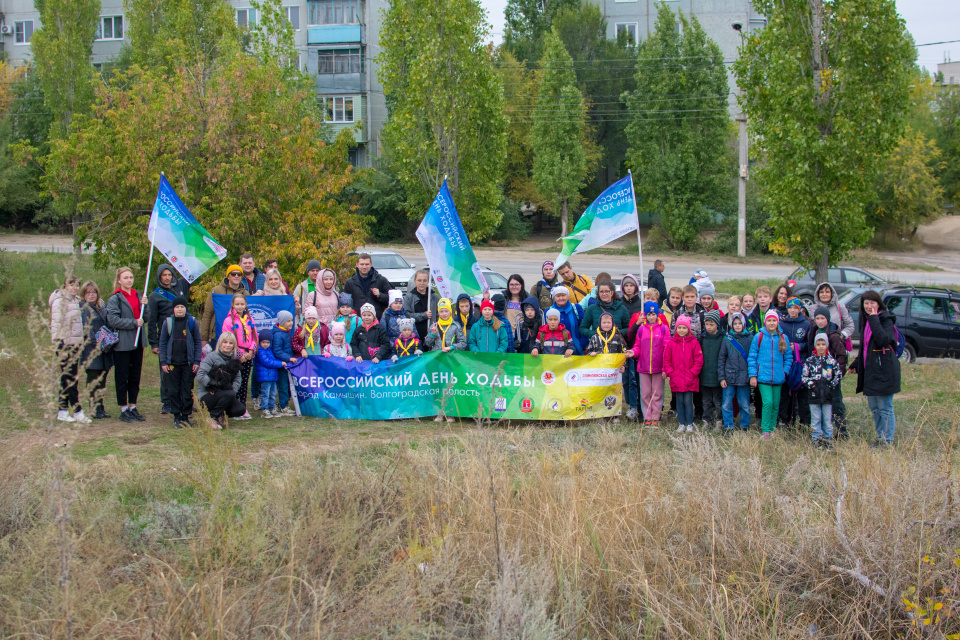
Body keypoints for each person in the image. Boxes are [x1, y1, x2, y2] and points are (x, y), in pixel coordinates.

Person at [848, 290, 901, 447]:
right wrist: (856, 363)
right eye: (866, 303)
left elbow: (883, 340)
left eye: (872, 302)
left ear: (878, 304)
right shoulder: (865, 321)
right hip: (871, 371)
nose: (869, 306)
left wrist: (873, 317)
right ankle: (880, 437)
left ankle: (887, 440)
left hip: (884, 370)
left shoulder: (885, 320)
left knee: (885, 407)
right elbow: (865, 347)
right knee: (875, 408)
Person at [146, 263, 191, 414]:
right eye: (164, 275)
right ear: (159, 277)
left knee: (184, 369)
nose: (167, 278)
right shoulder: (154, 296)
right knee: (166, 371)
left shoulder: (180, 288)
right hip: (166, 336)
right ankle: (167, 401)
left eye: (169, 274)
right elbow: (152, 321)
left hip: (184, 334)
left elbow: (190, 275)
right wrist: (154, 343)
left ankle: (185, 400)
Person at [107, 267, 148, 423]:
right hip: (123, 343)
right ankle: (123, 408)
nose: (129, 280)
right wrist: (133, 323)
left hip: (138, 343)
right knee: (122, 375)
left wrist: (146, 304)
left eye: (131, 277)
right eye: (125, 278)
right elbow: (113, 320)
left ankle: (133, 406)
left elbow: (147, 317)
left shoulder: (138, 295)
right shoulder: (115, 299)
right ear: (119, 280)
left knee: (135, 375)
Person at [748, 310, 794, 439]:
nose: (772, 323)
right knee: (768, 402)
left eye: (774, 320)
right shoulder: (759, 337)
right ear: (765, 322)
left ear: (777, 322)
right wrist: (753, 375)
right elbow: (752, 357)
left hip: (778, 378)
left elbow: (788, 357)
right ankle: (766, 430)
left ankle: (773, 428)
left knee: (775, 404)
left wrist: (784, 371)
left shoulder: (783, 337)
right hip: (763, 377)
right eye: (769, 320)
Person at [158, 296, 202, 428]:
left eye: (182, 307)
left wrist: (196, 360)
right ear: (173, 309)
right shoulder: (168, 323)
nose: (180, 309)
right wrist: (163, 361)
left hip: (188, 363)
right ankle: (177, 416)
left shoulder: (192, 323)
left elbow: (198, 342)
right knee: (173, 390)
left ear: (185, 308)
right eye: (177, 307)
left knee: (187, 390)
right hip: (172, 363)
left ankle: (185, 416)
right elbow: (163, 343)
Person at [807, 306, 849, 439]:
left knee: (836, 404)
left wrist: (838, 374)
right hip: (817, 378)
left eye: (822, 318)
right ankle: (820, 433)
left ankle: (842, 431)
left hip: (831, 378)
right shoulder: (812, 331)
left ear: (828, 319)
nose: (820, 321)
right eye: (817, 318)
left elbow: (842, 356)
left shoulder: (833, 335)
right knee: (819, 404)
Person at [50, 275, 88, 423]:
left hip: (75, 344)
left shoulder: (76, 301)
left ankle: (62, 410)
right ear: (65, 286)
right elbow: (56, 325)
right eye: (71, 285)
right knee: (71, 378)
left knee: (67, 379)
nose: (75, 288)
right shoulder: (60, 302)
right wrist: (60, 345)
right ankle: (77, 411)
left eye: (77, 285)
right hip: (65, 345)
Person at [629, 301, 670, 427]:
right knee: (645, 393)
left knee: (657, 393)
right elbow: (637, 347)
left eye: (654, 314)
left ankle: (655, 417)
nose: (651, 317)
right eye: (649, 314)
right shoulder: (641, 330)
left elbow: (667, 349)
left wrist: (665, 368)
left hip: (658, 368)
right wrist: (633, 352)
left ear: (657, 315)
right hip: (644, 368)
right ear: (645, 316)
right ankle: (647, 417)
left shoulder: (664, 329)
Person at [79, 281, 114, 420]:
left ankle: (100, 406)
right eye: (88, 292)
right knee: (93, 378)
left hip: (104, 347)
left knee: (102, 378)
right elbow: (87, 328)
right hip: (91, 348)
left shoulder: (101, 306)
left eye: (93, 292)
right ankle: (93, 407)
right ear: (84, 294)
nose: (91, 295)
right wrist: (96, 343)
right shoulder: (83, 308)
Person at [220, 293, 258, 420]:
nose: (240, 306)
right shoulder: (228, 320)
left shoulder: (249, 319)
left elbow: (254, 337)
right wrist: (240, 354)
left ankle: (242, 407)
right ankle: (233, 408)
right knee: (235, 382)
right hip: (235, 356)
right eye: (237, 304)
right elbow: (227, 339)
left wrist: (251, 351)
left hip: (248, 356)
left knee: (244, 382)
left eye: (242, 304)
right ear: (232, 305)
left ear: (245, 304)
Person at [196, 332, 245, 429]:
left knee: (240, 409)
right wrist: (216, 384)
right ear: (220, 343)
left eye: (230, 343)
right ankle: (212, 416)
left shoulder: (234, 360)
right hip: (208, 394)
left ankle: (220, 413)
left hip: (225, 394)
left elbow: (238, 379)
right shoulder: (211, 357)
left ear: (234, 345)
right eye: (225, 342)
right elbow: (200, 376)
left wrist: (232, 391)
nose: (227, 345)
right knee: (229, 394)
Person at [802, 332, 842, 448]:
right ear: (815, 345)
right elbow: (804, 377)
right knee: (815, 420)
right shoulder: (810, 361)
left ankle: (828, 440)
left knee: (827, 420)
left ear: (827, 345)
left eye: (823, 344)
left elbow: (837, 376)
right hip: (814, 396)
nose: (821, 347)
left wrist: (830, 386)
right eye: (818, 344)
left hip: (827, 397)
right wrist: (812, 385)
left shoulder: (831, 362)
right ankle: (816, 440)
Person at [664, 316, 703, 433]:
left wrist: (693, 373)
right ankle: (681, 423)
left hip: (690, 378)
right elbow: (666, 359)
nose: (681, 330)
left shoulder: (694, 343)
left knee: (688, 401)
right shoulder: (671, 343)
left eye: (684, 328)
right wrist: (671, 373)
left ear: (688, 329)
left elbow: (699, 360)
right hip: (676, 378)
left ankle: (689, 423)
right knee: (679, 401)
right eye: (679, 328)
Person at [779, 297, 812, 429]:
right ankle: (785, 421)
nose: (793, 311)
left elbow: (809, 344)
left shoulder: (806, 324)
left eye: (796, 308)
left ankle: (804, 423)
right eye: (790, 308)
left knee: (802, 395)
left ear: (800, 309)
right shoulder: (781, 324)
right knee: (785, 394)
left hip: (800, 363)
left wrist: (797, 347)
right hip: (786, 363)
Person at [718, 312, 753, 433]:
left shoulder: (750, 338)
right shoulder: (727, 339)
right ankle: (728, 426)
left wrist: (752, 375)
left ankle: (744, 426)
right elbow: (721, 359)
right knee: (727, 404)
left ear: (743, 324)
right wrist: (722, 377)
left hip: (744, 377)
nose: (737, 326)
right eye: (735, 323)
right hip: (729, 377)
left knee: (744, 404)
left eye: (739, 323)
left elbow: (752, 358)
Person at [200, 264, 248, 342]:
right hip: (216, 335)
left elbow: (247, 315)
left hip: (238, 338)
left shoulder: (245, 294)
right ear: (228, 276)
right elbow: (207, 314)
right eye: (233, 274)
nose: (236, 276)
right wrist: (204, 338)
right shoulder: (216, 291)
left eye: (239, 274)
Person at [700, 310, 725, 430]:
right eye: (707, 324)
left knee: (717, 400)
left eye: (712, 324)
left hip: (717, 375)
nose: (709, 327)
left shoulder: (722, 338)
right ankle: (707, 420)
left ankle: (719, 420)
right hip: (704, 374)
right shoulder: (702, 338)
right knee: (706, 400)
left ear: (717, 324)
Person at [271, 310, 298, 416]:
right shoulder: (279, 334)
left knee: (286, 384)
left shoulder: (285, 331)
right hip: (282, 364)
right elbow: (277, 351)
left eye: (291, 320)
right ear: (282, 322)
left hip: (286, 364)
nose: (291, 323)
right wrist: (289, 358)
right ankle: (283, 406)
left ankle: (283, 404)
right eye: (288, 321)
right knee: (283, 385)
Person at [549, 286, 586, 355]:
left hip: (576, 351)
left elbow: (584, 327)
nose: (561, 298)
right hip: (555, 352)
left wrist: (582, 345)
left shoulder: (577, 308)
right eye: (558, 296)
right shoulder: (549, 311)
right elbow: (545, 331)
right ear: (554, 297)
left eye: (563, 295)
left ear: (567, 296)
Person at [255, 334, 285, 418]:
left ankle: (272, 408)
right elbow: (267, 362)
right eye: (263, 342)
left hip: (273, 376)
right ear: (259, 342)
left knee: (273, 393)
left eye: (267, 342)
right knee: (265, 394)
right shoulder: (260, 351)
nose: (265, 344)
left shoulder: (269, 350)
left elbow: (274, 360)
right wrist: (280, 363)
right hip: (265, 377)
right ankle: (265, 409)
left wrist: (281, 362)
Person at [404, 269, 437, 340]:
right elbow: (407, 315)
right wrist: (423, 315)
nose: (422, 283)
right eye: (419, 280)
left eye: (425, 280)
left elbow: (438, 314)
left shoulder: (434, 296)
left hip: (431, 335)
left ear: (428, 281)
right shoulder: (409, 297)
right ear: (415, 281)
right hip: (415, 335)